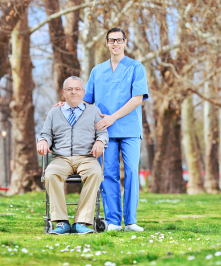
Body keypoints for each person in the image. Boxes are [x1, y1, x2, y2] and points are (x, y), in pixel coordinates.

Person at [56, 28, 148, 231]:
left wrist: (113, 117)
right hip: (104, 132)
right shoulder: (97, 71)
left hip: (129, 129)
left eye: (119, 40)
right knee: (108, 174)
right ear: (107, 44)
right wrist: (64, 105)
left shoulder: (136, 67)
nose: (115, 44)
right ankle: (114, 221)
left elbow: (137, 98)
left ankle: (131, 221)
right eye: (111, 40)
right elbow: (85, 100)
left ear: (125, 42)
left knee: (132, 172)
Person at [37, 76, 108, 234]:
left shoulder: (94, 111)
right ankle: (62, 222)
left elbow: (102, 133)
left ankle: (81, 222)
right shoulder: (55, 111)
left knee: (95, 173)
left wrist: (100, 142)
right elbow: (46, 133)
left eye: (77, 89)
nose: (73, 92)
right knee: (50, 174)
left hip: (86, 158)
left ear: (83, 92)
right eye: (69, 89)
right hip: (61, 158)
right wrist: (42, 141)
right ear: (64, 92)